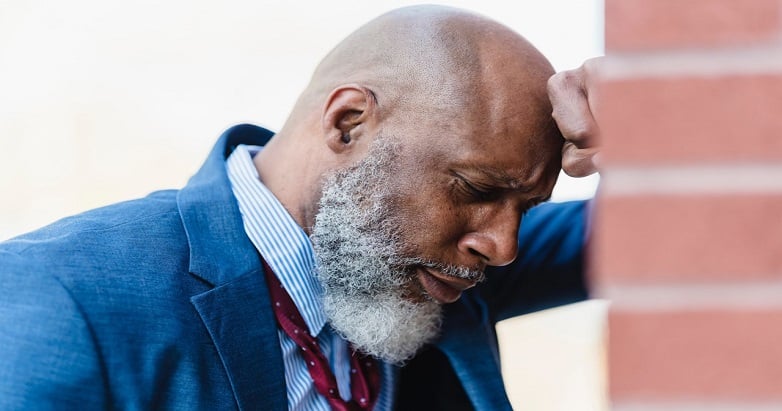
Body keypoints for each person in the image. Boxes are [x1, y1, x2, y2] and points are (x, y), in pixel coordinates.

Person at [0, 5, 600, 411]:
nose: (502, 247)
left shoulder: (436, 273)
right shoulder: (59, 297)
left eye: (525, 207)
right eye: (474, 189)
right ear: (348, 123)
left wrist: (661, 127)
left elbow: (676, 235)